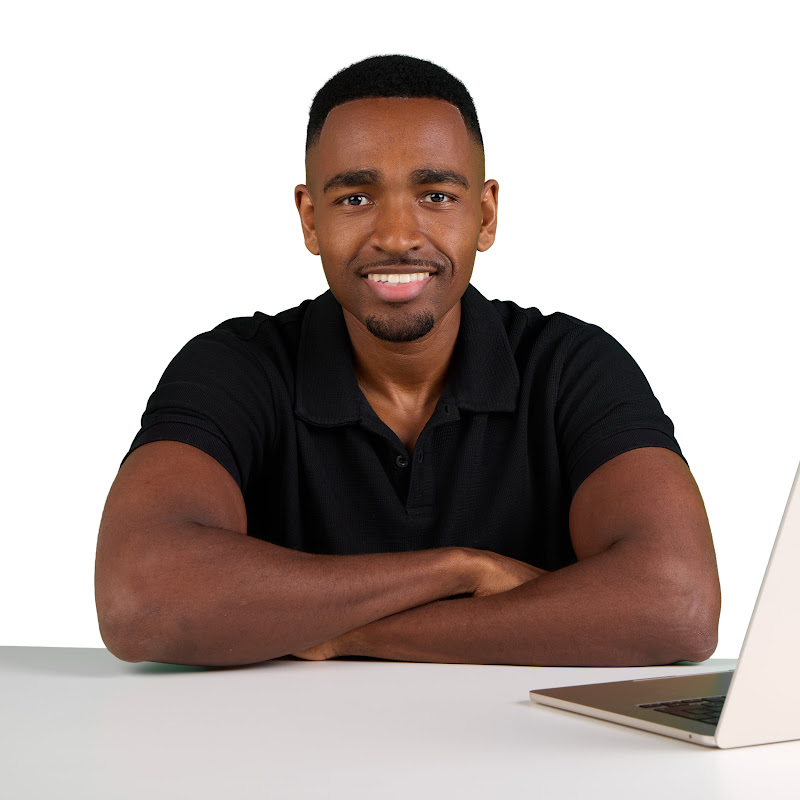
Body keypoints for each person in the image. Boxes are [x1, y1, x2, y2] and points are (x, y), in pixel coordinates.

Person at [94, 54, 721, 667]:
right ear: (310, 220)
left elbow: (678, 608)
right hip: (284, 740)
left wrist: (344, 633)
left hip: (519, 739)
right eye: (355, 199)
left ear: (486, 215)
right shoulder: (234, 368)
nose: (397, 236)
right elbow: (140, 598)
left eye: (437, 195)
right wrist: (461, 570)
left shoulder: (571, 367)